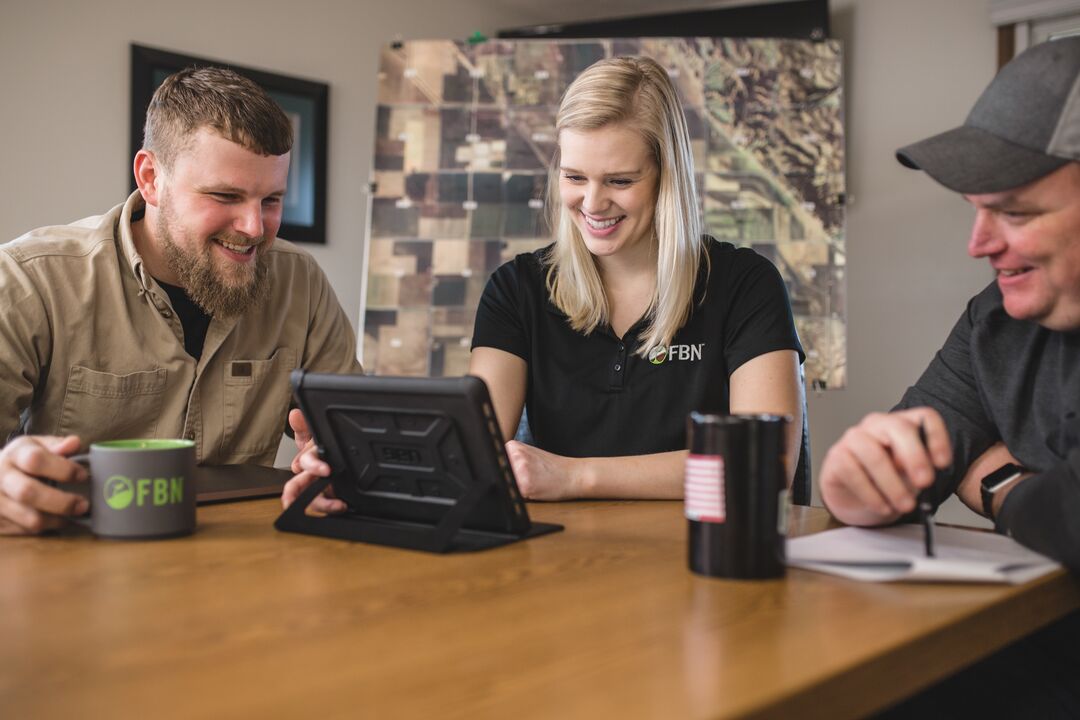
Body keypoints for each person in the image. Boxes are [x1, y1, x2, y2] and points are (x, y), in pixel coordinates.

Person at [285, 56, 804, 508]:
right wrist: (351, 470)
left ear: (667, 177)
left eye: (620, 181)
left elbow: (765, 463)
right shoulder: (518, 288)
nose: (593, 204)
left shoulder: (746, 285)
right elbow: (472, 450)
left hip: (706, 558)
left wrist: (576, 476)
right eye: (575, 177)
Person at [818, 37, 1080, 718]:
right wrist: (858, 484)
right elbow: (918, 447)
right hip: (1022, 659)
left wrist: (993, 480)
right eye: (976, 207)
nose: (978, 243)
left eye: (1015, 212)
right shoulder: (996, 321)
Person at [0, 67, 361, 536]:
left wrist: (336, 464)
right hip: (70, 563)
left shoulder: (302, 283)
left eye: (271, 200)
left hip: (239, 562)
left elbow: (352, 440)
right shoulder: (31, 279)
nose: (254, 228)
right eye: (225, 195)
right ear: (151, 178)